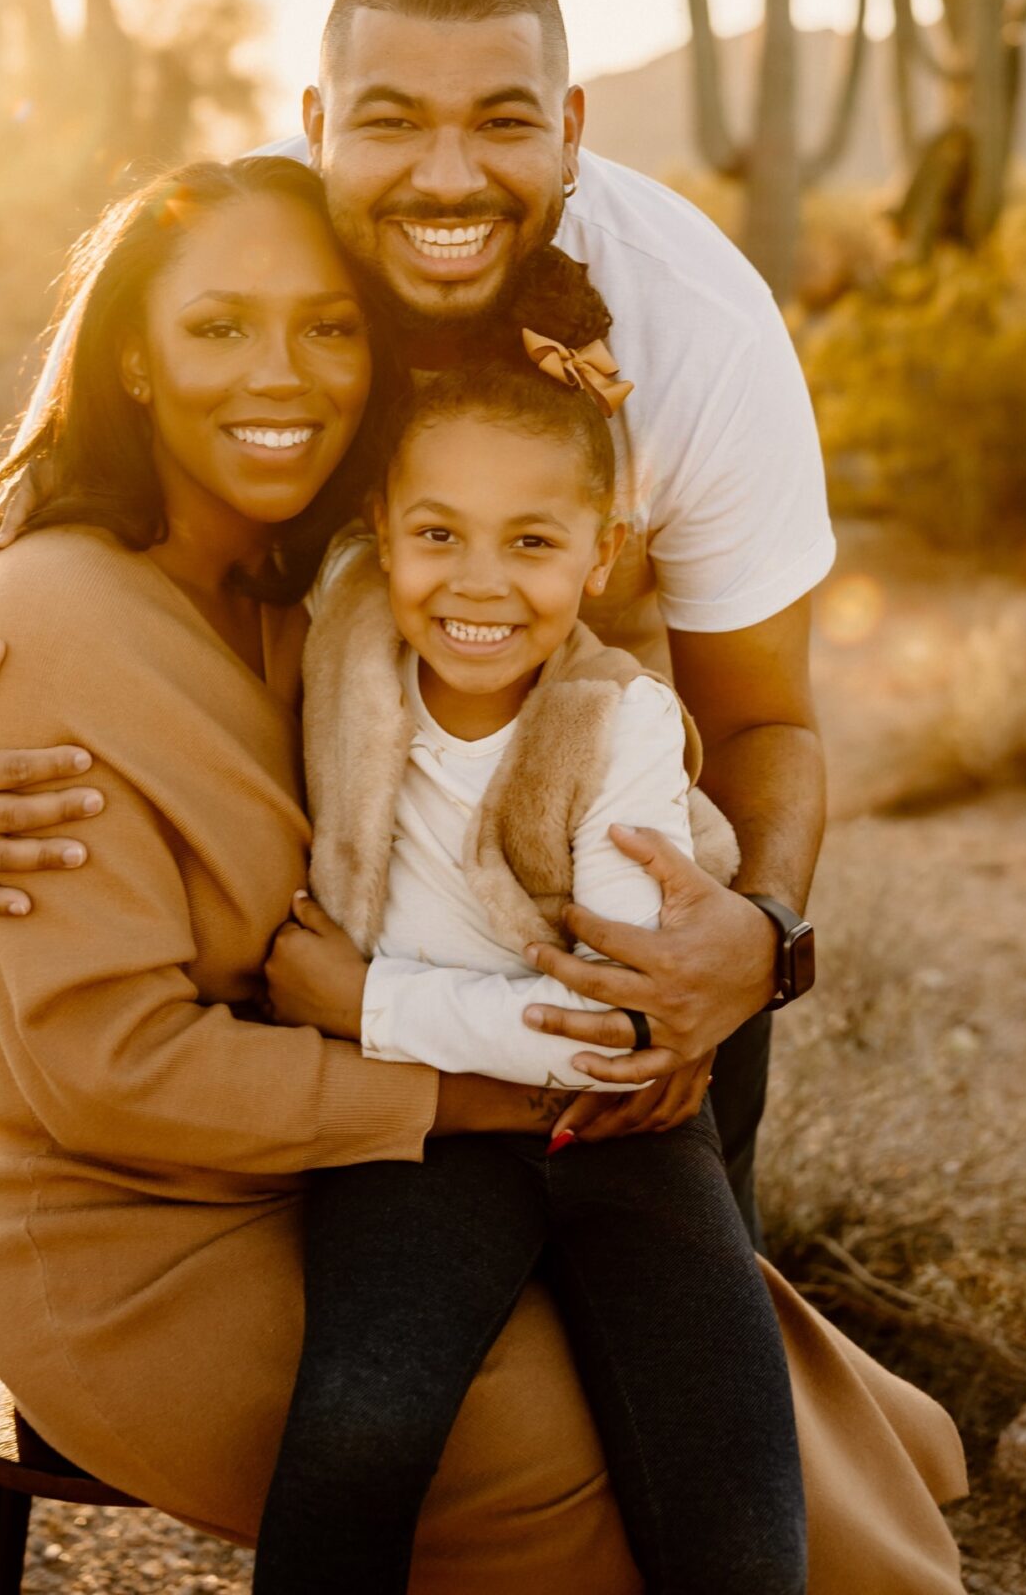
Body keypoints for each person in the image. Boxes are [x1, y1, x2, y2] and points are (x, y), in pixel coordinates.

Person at [0, 151, 967, 1590]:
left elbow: (598, 726)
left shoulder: (326, 581)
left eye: (329, 327)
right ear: (137, 364)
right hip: (136, 1232)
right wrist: (474, 1092)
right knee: (585, 1471)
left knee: (727, 1409)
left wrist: (709, 962)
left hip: (361, 1158)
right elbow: (112, 1071)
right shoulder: (52, 617)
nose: (278, 374)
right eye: (217, 327)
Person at [0, 0, 837, 1232]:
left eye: (498, 120)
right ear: (316, 126)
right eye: (387, 121)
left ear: (569, 129)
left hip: (593, 871)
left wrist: (758, 936)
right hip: (331, 864)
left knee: (679, 1320)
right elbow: (32, 512)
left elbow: (763, 716)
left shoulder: (701, 339)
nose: (442, 177)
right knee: (380, 1320)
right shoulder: (252, 246)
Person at [250, 283, 807, 1595]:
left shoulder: (615, 728)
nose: (479, 584)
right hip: (430, 1134)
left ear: (601, 553)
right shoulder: (344, 632)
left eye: (533, 542)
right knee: (355, 1429)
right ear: (378, 532)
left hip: (620, 1133)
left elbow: (610, 1027)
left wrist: (359, 1000)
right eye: (436, 532)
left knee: (733, 1486)